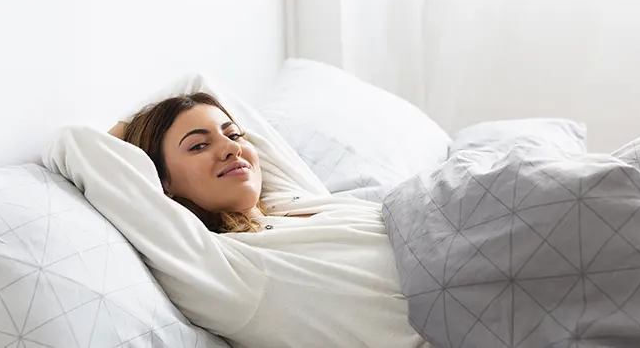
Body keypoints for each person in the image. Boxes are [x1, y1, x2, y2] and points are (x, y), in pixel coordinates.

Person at [45, 74, 430, 348]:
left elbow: (196, 83)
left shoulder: (293, 199)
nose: (230, 149)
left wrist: (198, 131)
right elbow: (76, 144)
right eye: (198, 146)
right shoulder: (222, 265)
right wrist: (139, 137)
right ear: (161, 182)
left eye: (233, 135)